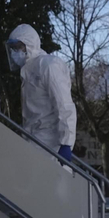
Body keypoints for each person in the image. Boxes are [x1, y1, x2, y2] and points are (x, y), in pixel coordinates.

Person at [7, 24, 77, 160]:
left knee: (52, 179)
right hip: (34, 138)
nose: (15, 52)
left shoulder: (48, 66)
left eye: (18, 47)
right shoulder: (28, 70)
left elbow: (64, 105)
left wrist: (66, 143)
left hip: (51, 142)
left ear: (29, 44)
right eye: (13, 48)